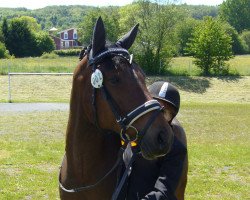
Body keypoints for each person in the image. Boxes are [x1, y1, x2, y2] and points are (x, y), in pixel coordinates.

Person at [119, 81, 188, 200]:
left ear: (171, 117)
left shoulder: (176, 150)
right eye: (154, 108)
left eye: (163, 112)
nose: (156, 116)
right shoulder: (131, 135)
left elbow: (164, 192)